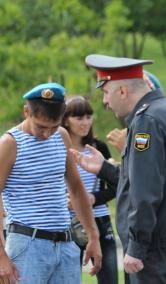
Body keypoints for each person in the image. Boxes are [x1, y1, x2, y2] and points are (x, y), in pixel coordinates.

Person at [71, 54, 166, 284]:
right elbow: (152, 179)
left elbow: (146, 191)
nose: (105, 102)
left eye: (106, 93)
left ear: (122, 91)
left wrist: (137, 247)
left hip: (152, 249)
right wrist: (104, 169)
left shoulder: (146, 122)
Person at [0, 82, 102, 284]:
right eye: (42, 126)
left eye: (53, 127)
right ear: (26, 112)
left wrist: (93, 235)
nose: (47, 134)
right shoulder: (9, 144)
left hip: (65, 244)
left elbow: (78, 189)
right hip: (27, 246)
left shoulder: (61, 136)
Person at [62, 95, 118, 284]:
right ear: (65, 120)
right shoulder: (57, 148)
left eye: (88, 116)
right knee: (68, 278)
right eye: (79, 118)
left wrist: (93, 198)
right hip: (68, 223)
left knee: (109, 277)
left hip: (100, 220)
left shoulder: (98, 147)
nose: (85, 122)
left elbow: (116, 185)